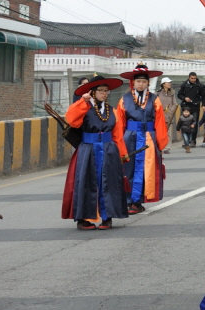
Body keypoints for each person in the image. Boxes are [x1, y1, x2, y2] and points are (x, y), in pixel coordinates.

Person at [61, 74, 129, 231]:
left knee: (109, 183)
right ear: (92, 92)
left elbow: (117, 134)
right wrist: (83, 102)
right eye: (101, 90)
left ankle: (107, 217)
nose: (104, 93)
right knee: (85, 183)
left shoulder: (112, 111)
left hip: (108, 149)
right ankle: (83, 219)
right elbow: (71, 120)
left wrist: (121, 154)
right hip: (88, 149)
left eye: (106, 90)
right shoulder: (83, 107)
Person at [116, 64, 169, 215]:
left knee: (147, 169)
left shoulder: (154, 99)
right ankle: (129, 200)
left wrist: (160, 143)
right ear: (133, 83)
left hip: (148, 138)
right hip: (129, 137)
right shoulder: (124, 99)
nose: (141, 84)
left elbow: (160, 122)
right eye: (138, 81)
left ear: (148, 83)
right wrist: (118, 143)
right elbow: (119, 122)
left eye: (144, 82)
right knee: (128, 168)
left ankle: (138, 201)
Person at [178, 71, 205, 147]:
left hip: (195, 106)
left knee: (193, 123)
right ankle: (186, 141)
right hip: (185, 106)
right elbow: (179, 95)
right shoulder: (184, 85)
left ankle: (193, 140)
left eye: (195, 78)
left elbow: (204, 96)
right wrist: (184, 98)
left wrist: (203, 105)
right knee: (184, 123)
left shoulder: (200, 86)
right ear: (189, 78)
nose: (193, 80)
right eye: (192, 78)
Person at [157, 77, 177, 154]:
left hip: (169, 116)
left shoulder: (172, 93)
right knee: (160, 132)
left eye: (170, 82)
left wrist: (170, 112)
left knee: (169, 133)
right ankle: (160, 147)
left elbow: (174, 104)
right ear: (163, 84)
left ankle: (167, 148)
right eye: (168, 82)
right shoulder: (157, 93)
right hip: (160, 116)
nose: (169, 84)